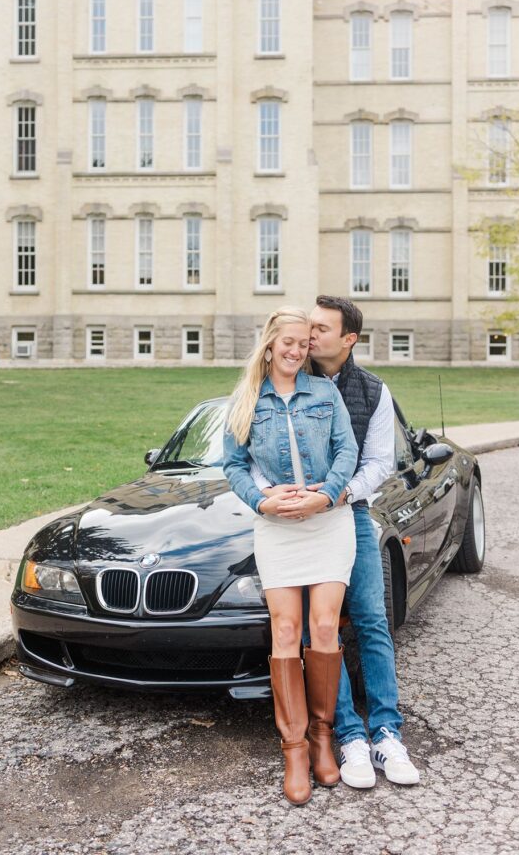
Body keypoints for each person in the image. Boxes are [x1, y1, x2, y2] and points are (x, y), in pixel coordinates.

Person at [256, 296, 420, 788]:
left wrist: (333, 496)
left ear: (348, 339)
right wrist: (271, 497)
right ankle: (345, 734)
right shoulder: (284, 378)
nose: (309, 336)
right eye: (305, 328)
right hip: (288, 524)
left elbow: (377, 463)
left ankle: (387, 732)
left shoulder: (372, 391)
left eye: (320, 329)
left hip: (350, 516)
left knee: (371, 619)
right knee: (313, 629)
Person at [222, 307, 358, 806]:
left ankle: (324, 737)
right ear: (270, 343)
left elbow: (347, 452)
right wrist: (263, 501)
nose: (298, 351)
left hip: (327, 522)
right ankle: (294, 748)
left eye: (305, 343)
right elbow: (233, 465)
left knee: (324, 628)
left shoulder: (325, 392)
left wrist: (327, 495)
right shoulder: (247, 399)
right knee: (285, 630)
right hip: (277, 528)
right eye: (290, 342)